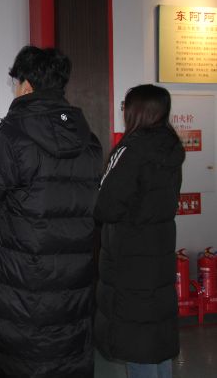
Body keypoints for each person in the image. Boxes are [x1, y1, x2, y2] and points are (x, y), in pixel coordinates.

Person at [0, 45, 103, 378]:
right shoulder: (89, 141)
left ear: (26, 86)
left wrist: (2, 241)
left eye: (15, 83)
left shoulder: (12, 138)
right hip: (75, 273)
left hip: (20, 276)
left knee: (18, 356)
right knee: (67, 350)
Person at [94, 84, 184, 378]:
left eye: (126, 105)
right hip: (159, 253)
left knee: (136, 339)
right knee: (156, 334)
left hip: (130, 258)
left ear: (138, 111)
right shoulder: (171, 147)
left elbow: (106, 206)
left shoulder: (129, 149)